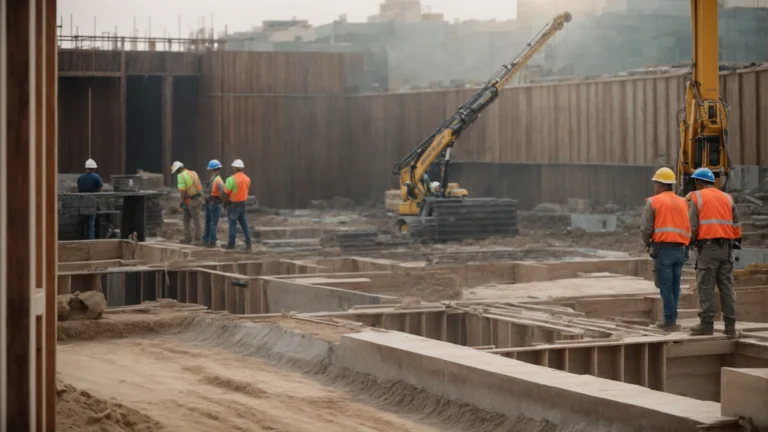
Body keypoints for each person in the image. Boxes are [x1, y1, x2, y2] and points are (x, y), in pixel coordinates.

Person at [687, 167, 741, 338]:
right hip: (727, 248)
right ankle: (730, 328)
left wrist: (689, 243)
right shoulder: (727, 197)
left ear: (698, 182)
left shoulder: (697, 197)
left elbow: (692, 227)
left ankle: (706, 325)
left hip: (708, 249)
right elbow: (736, 225)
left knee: (706, 286)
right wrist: (734, 241)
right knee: (727, 287)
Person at [640, 167, 691, 331]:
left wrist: (647, 243)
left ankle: (669, 321)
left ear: (660, 185)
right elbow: (688, 226)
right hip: (680, 250)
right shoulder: (683, 202)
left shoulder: (654, 202)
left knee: (666, 287)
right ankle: (672, 319)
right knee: (675, 286)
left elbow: (646, 228)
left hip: (664, 251)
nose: (655, 187)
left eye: (656, 184)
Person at [171, 161, 203, 245]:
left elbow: (182, 191)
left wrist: (183, 201)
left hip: (191, 200)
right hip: (198, 197)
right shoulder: (193, 173)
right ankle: (190, 238)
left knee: (193, 219)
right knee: (190, 218)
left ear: (178, 169)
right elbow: (199, 186)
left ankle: (197, 239)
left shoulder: (180, 176)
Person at [223, 159, 252, 250]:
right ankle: (248, 244)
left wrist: (225, 203)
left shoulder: (230, 179)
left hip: (233, 205)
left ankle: (231, 244)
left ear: (235, 168)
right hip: (242, 205)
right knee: (244, 225)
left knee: (232, 225)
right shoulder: (247, 179)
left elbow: (226, 193)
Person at [202, 159, 227, 247]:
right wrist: (223, 201)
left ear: (212, 169)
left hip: (211, 202)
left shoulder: (214, 179)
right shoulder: (218, 179)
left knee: (209, 222)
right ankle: (212, 241)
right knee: (213, 223)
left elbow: (220, 191)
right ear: (218, 169)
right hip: (215, 203)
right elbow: (222, 192)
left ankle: (207, 239)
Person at [77, 158, 103, 239]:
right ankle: (91, 241)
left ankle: (82, 238)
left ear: (86, 168)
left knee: (83, 222)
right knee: (91, 223)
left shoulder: (81, 177)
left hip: (82, 202)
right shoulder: (96, 177)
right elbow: (101, 187)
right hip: (92, 202)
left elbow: (79, 188)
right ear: (94, 168)